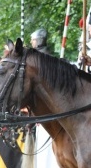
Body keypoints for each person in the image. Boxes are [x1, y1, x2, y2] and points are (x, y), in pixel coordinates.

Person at [29, 28, 59, 168]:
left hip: (49, 110)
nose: (31, 42)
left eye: (33, 40)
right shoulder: (42, 58)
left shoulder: (40, 61)